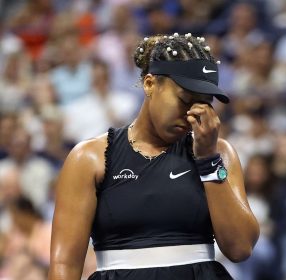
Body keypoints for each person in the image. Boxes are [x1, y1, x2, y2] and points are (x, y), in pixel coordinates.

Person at [48, 33, 260, 280]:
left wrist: (207, 160)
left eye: (203, 104)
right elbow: (64, 265)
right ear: (150, 84)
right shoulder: (88, 158)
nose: (192, 115)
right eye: (184, 100)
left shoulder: (219, 153)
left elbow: (240, 247)